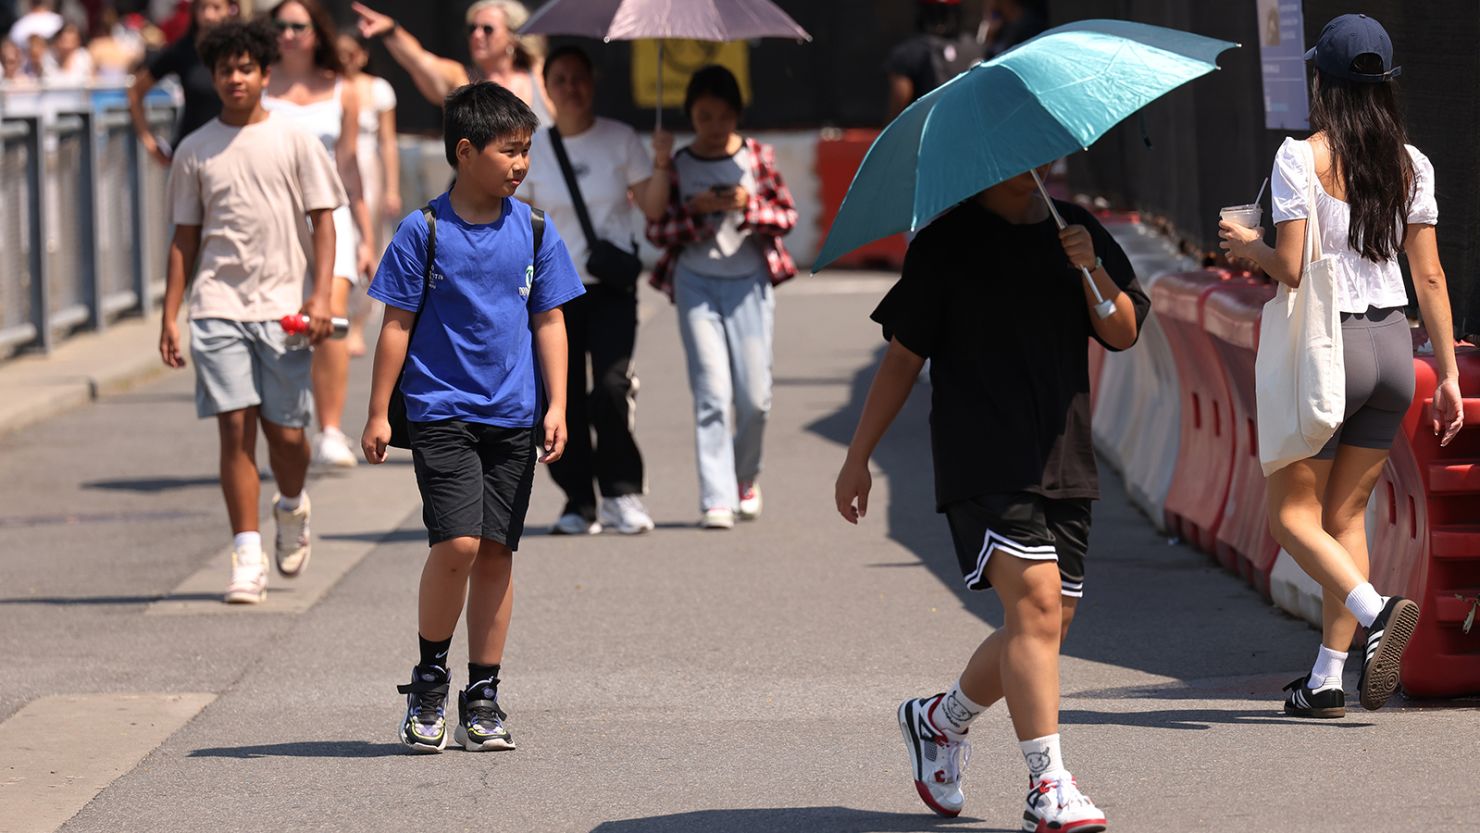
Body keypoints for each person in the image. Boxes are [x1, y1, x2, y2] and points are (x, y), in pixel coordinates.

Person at [834, 163, 1149, 828]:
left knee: (1045, 625)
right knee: (1034, 605)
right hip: (980, 456)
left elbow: (1123, 332)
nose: (1028, 172)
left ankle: (939, 721)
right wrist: (858, 455)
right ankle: (1049, 787)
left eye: (1039, 158)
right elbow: (901, 357)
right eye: (1011, 161)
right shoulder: (945, 244)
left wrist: (1092, 269)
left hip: (1064, 455)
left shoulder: (1077, 231)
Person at [1219, 14, 1464, 717]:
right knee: (1347, 511)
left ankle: (1376, 609)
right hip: (1394, 349)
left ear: (1319, 81)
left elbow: (1292, 268)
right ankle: (1327, 674)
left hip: (1330, 350)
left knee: (1290, 517)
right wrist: (1444, 371)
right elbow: (1433, 277)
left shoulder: (1301, 158)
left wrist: (1246, 245)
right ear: (1386, 85)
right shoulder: (1413, 164)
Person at [360, 82, 583, 753]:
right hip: (441, 414)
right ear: (465, 150)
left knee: (495, 553)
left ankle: (482, 695)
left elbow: (550, 318)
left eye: (526, 152)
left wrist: (559, 402)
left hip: (513, 416)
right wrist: (377, 410)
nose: (520, 164)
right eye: (508, 151)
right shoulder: (423, 230)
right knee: (456, 543)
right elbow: (396, 324)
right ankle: (429, 681)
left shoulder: (536, 229)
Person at [159, 18, 345, 605]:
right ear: (212, 77)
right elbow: (184, 238)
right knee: (234, 428)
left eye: (245, 68)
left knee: (287, 436)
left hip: (284, 308)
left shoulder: (294, 138)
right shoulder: (194, 149)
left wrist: (320, 295)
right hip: (216, 307)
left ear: (264, 73)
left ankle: (290, 506)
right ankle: (245, 555)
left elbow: (323, 219)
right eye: (224, 69)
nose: (235, 78)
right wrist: (172, 313)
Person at [517, 45, 668, 536]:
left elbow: (654, 209)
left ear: (593, 82)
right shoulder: (533, 147)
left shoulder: (620, 139)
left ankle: (622, 492)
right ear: (546, 88)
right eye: (559, 79)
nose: (570, 87)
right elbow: (519, 221)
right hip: (553, 294)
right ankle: (578, 500)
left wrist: (662, 165)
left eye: (578, 77)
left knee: (610, 387)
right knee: (562, 399)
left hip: (610, 288)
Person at [647, 65, 797, 530]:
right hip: (695, 282)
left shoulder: (758, 156)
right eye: (704, 116)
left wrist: (746, 206)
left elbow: (787, 215)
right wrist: (696, 212)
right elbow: (658, 229)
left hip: (749, 281)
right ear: (690, 115)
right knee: (712, 390)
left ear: (737, 115)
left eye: (723, 116)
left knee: (756, 397)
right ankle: (716, 496)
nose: (714, 127)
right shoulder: (679, 165)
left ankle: (744, 478)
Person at [264, 0, 374, 469]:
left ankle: (330, 429)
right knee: (284, 321)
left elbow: (349, 166)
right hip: (274, 218)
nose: (289, 34)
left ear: (316, 33)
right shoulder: (259, 85)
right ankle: (287, 422)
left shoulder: (342, 90)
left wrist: (368, 235)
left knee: (329, 314)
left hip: (333, 215)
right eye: (281, 26)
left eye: (298, 26)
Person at [349, 0, 552, 123]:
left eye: (487, 29)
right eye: (472, 29)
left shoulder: (540, 76)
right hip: (478, 193)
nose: (477, 35)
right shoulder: (462, 79)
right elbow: (419, 60)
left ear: (513, 36)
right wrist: (391, 30)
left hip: (541, 190)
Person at [336, 31, 400, 358]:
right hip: (335, 167)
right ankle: (338, 313)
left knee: (368, 242)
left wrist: (392, 186)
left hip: (368, 169)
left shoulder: (378, 89)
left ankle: (359, 322)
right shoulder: (328, 86)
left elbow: (388, 141)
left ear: (362, 54)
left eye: (351, 53)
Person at [128, 0, 237, 165]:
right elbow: (136, 91)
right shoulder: (183, 50)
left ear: (230, 10)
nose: (208, 15)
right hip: (192, 157)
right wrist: (148, 141)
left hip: (232, 152)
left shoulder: (241, 51)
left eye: (216, 7)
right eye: (203, 7)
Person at [885, 0, 981, 119]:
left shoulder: (908, 52)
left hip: (932, 130)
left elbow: (899, 103)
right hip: (970, 128)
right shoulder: (977, 47)